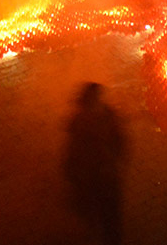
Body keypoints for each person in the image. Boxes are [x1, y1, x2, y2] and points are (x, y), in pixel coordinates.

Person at [63, 82, 128, 245]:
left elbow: (119, 141)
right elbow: (73, 154)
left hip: (102, 178)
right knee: (102, 218)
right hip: (94, 178)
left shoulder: (102, 117)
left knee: (108, 219)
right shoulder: (86, 121)